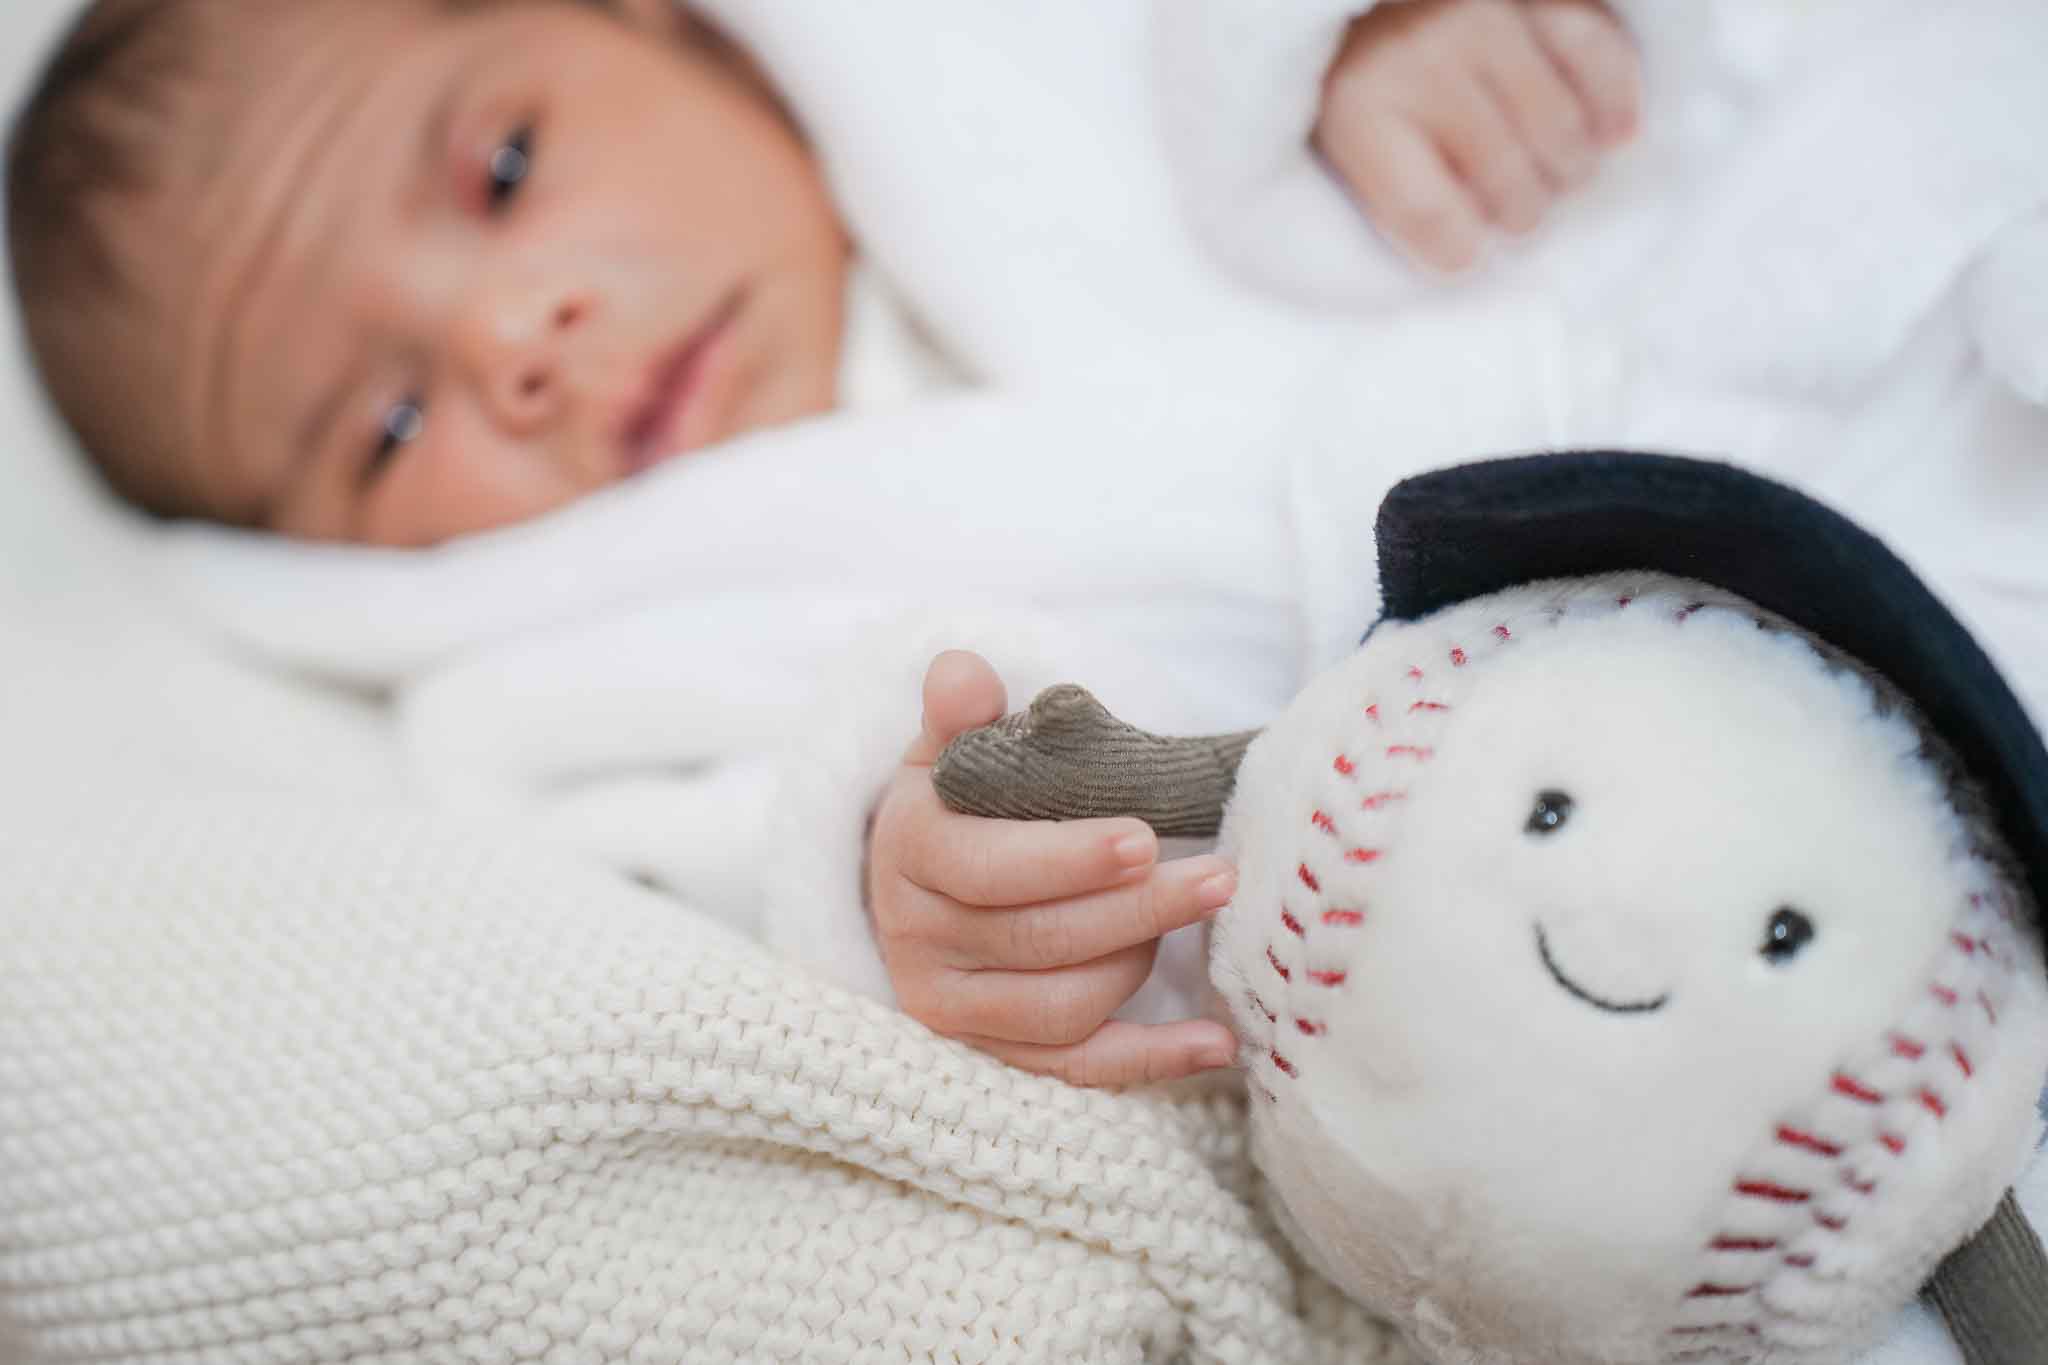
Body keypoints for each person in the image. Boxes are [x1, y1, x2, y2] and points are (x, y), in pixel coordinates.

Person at [4, 0, 1640, 1077]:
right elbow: (742, 863)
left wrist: (1337, 55)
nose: (517, 338)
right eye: (384, 429)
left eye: (504, 170)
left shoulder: (984, 60)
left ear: (648, 23)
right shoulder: (584, 687)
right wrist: (913, 910)